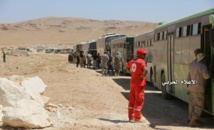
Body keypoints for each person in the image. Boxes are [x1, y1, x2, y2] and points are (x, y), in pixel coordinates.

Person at [187, 53, 210, 127]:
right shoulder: (203, 66)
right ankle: (192, 122)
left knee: (192, 105)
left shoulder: (192, 66)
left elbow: (188, 78)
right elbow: (206, 77)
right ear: (203, 59)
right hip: (198, 89)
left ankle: (190, 119)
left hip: (191, 88)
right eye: (205, 58)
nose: (205, 59)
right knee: (199, 106)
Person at [126, 48, 148, 123]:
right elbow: (146, 69)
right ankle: (137, 118)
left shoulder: (132, 61)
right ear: (141, 55)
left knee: (132, 99)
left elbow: (127, 66)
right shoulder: (141, 61)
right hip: (139, 83)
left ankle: (130, 116)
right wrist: (142, 76)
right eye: (144, 54)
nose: (145, 56)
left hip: (132, 82)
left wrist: (131, 73)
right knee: (139, 99)